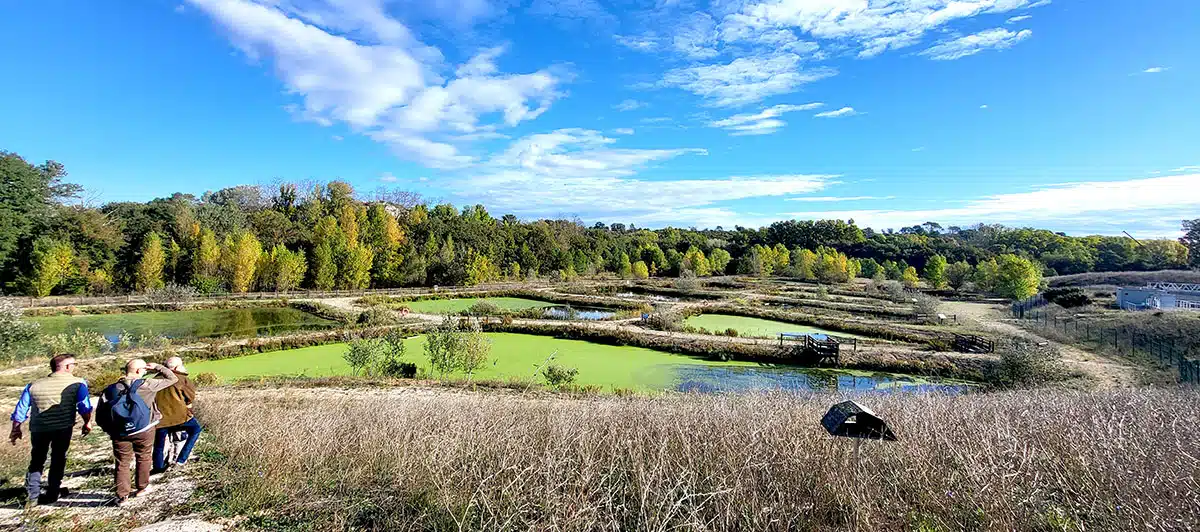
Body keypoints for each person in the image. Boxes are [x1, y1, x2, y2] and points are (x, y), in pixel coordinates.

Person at [8, 354, 93, 506]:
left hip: (39, 428)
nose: (74, 367)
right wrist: (87, 422)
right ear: (67, 367)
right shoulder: (78, 383)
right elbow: (83, 406)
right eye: (73, 364)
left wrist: (16, 429)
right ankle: (53, 492)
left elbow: (21, 409)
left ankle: (32, 496)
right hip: (62, 427)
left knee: (37, 460)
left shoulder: (33, 384)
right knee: (58, 458)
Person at [96, 359, 176, 505]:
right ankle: (142, 488)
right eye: (144, 369)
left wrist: (110, 430)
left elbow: (100, 414)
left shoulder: (110, 389)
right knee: (144, 457)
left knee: (122, 462)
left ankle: (122, 496)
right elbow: (172, 378)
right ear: (139, 371)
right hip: (144, 429)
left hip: (119, 432)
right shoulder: (147, 385)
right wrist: (158, 367)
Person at [152, 356, 201, 473]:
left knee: (159, 443)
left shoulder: (154, 380)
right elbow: (190, 397)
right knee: (196, 430)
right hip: (180, 418)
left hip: (160, 420)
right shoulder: (182, 378)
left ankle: (158, 468)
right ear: (178, 367)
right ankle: (181, 460)